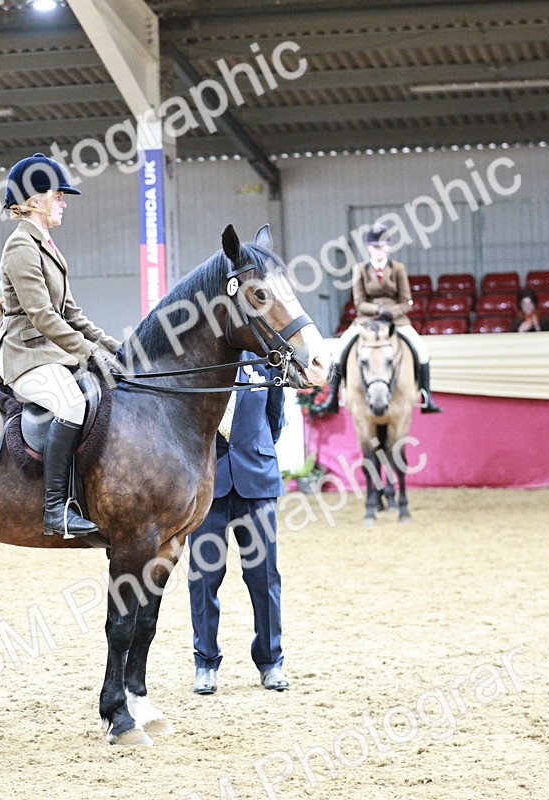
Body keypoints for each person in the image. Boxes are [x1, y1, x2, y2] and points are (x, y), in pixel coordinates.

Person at [0, 153, 122, 538]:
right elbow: (43, 317)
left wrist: (117, 347)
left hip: (51, 352)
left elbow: (73, 314)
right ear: (33, 201)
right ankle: (55, 511)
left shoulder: (46, 245)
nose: (64, 201)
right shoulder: (21, 247)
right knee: (72, 403)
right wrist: (88, 352)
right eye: (57, 194)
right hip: (25, 354)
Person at [189, 357, 288, 695]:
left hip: (257, 482)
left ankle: (271, 661)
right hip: (208, 484)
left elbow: (276, 419)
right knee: (204, 578)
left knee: (264, 576)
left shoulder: (264, 364)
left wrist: (254, 451)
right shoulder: (198, 365)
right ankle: (205, 663)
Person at [318, 225, 442, 414]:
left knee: (422, 350)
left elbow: (406, 300)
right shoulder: (359, 269)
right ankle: (332, 398)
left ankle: (427, 397)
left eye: (382, 246)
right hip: (366, 320)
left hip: (396, 320)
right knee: (338, 351)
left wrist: (391, 312)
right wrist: (378, 309)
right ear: (369, 248)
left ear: (388, 247)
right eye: (375, 247)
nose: (379, 250)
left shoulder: (398, 268)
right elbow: (359, 302)